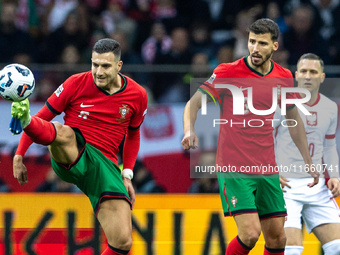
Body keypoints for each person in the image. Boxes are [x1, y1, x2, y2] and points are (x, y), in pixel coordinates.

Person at [181, 18, 318, 255]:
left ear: (275, 46)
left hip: (267, 168)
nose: (255, 48)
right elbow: (193, 104)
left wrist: (308, 161)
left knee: (277, 239)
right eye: (252, 41)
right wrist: (189, 130)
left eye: (262, 43)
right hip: (234, 168)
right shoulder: (227, 72)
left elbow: (294, 122)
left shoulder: (284, 77)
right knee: (250, 233)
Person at [11, 38, 148, 255]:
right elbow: (44, 116)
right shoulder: (75, 82)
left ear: (119, 66)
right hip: (73, 153)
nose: (99, 71)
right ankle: (25, 120)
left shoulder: (138, 94)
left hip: (106, 167)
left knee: (122, 243)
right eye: (95, 65)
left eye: (105, 66)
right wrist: (19, 155)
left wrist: (127, 174)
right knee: (62, 131)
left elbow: (133, 135)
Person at [275, 53, 340, 255]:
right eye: (303, 71)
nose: (308, 76)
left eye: (313, 72)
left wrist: (335, 174)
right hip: (285, 186)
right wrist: (271, 171)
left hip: (316, 186)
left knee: (337, 247)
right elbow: (263, 139)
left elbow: (329, 146)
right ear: (296, 75)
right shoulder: (281, 103)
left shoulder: (330, 107)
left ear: (322, 76)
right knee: (292, 250)